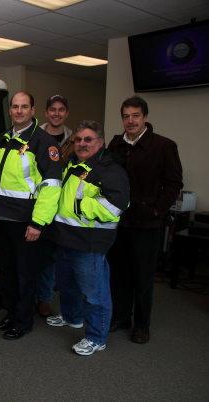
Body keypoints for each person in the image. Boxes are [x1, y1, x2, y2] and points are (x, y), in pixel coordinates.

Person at [46, 120, 129, 356]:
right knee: (67, 284)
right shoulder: (73, 163)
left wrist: (79, 205)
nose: (82, 144)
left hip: (89, 242)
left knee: (95, 293)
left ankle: (96, 337)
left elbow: (116, 205)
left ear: (100, 142)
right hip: (65, 237)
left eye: (88, 139)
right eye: (78, 139)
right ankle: (72, 318)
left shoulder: (110, 169)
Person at [108, 96, 183, 344]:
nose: (130, 120)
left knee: (143, 277)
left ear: (145, 118)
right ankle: (121, 317)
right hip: (120, 221)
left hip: (147, 223)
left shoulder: (163, 146)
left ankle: (141, 325)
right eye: (126, 116)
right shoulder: (116, 145)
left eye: (135, 115)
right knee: (119, 274)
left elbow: (173, 183)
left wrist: (157, 210)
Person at [0, 91, 62, 340]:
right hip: (4, 219)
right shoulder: (2, 139)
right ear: (9, 111)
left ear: (33, 111)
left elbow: (52, 188)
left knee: (26, 274)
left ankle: (23, 321)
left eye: (24, 107)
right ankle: (10, 313)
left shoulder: (44, 142)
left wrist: (37, 223)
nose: (19, 111)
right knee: (7, 272)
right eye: (15, 107)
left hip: (27, 223)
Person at [37, 95, 73, 317]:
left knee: (60, 257)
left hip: (64, 208)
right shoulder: (35, 136)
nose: (56, 113)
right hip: (39, 206)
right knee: (40, 256)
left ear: (66, 113)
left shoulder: (75, 139)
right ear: (45, 112)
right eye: (52, 109)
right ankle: (42, 298)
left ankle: (47, 297)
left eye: (61, 109)